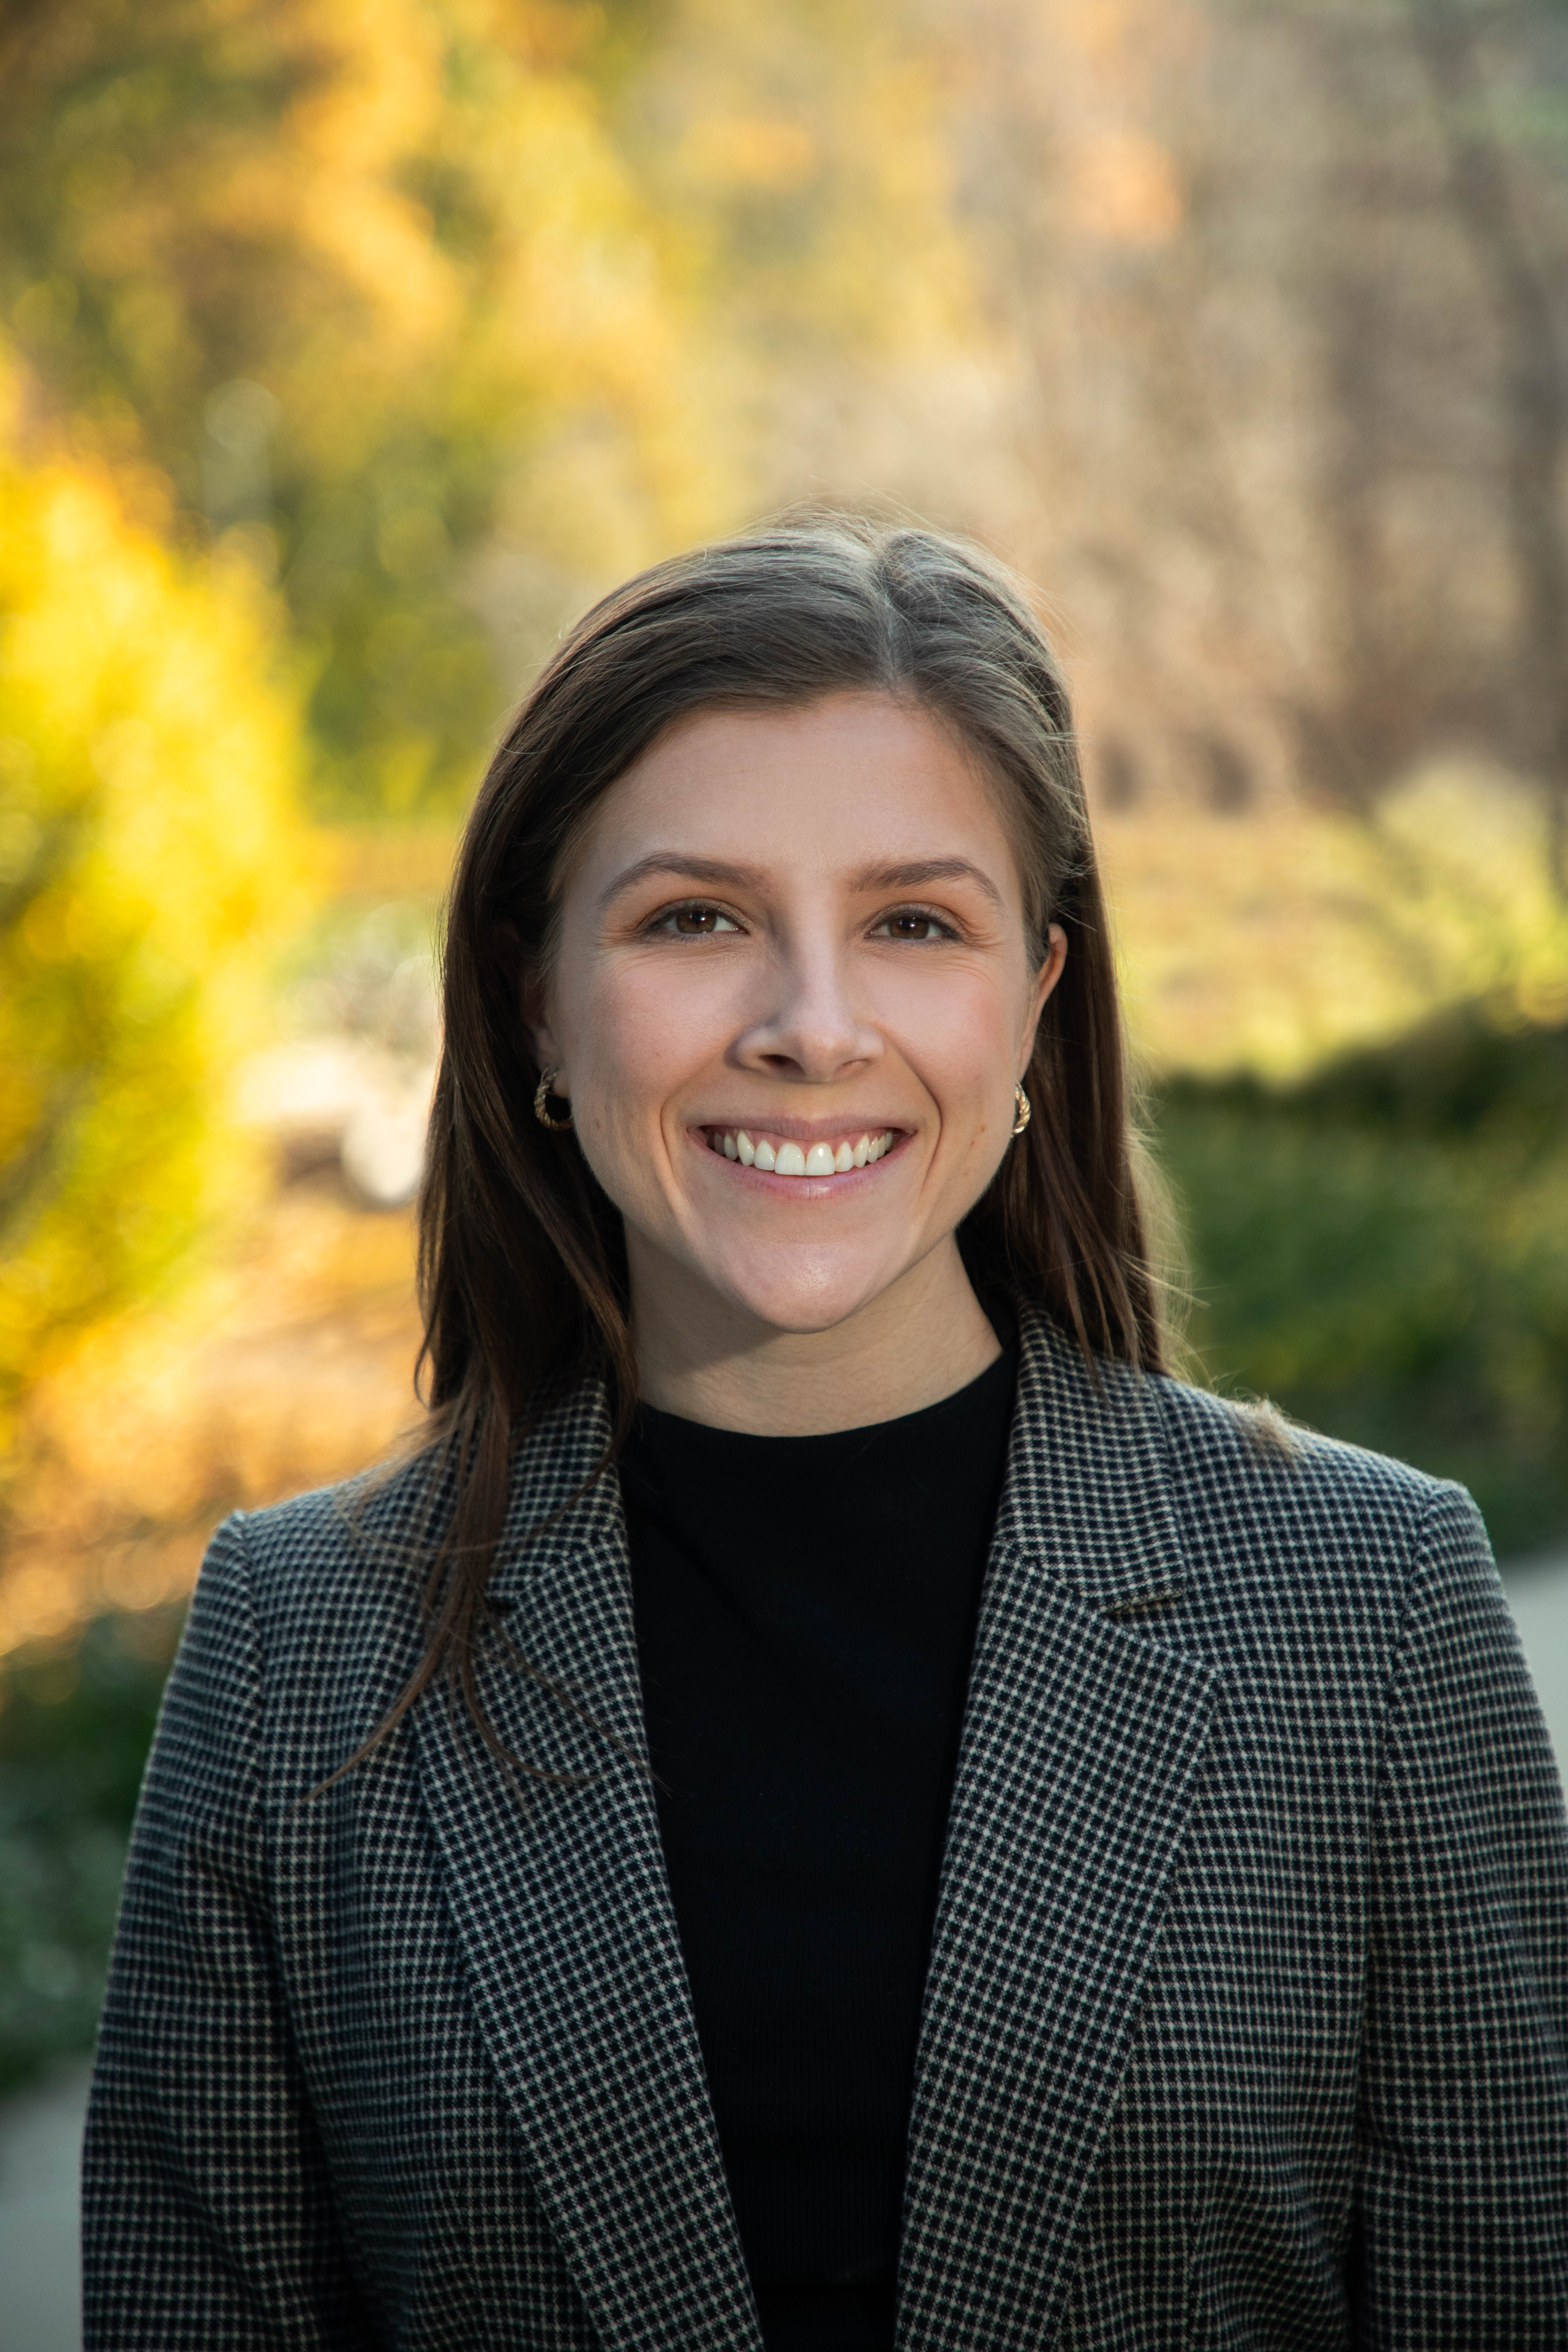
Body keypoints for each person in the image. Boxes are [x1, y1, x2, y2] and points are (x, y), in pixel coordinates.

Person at [84, 521, 1568, 2350]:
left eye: (914, 924)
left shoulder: (1370, 1614)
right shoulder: (291, 1654)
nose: (810, 1025)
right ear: (539, 996)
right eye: (695, 918)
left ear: (1032, 998)